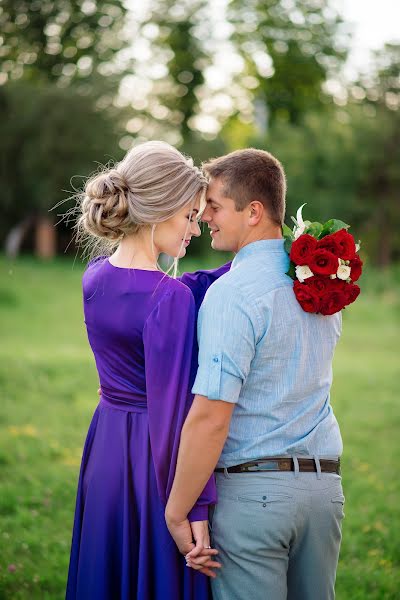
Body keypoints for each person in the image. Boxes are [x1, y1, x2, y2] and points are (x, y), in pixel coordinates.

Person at [166, 148, 344, 600]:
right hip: (323, 492)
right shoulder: (320, 285)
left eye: (215, 206)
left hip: (255, 496)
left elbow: (210, 417)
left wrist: (176, 510)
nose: (205, 216)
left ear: (254, 212)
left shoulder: (232, 294)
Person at [66, 141, 225, 600]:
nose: (194, 229)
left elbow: (157, 295)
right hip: (152, 459)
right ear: (160, 210)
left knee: (109, 574)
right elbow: (177, 415)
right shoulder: (167, 298)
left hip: (107, 449)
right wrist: (194, 508)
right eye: (189, 217)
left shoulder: (95, 276)